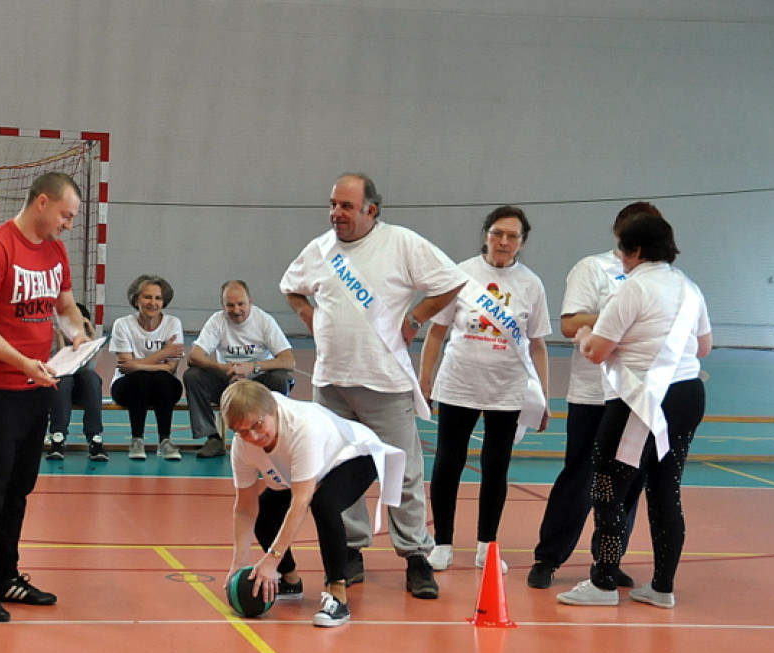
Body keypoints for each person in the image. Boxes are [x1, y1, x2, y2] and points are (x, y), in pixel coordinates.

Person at [280, 173, 466, 600]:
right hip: (331, 383)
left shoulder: (401, 243)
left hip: (385, 383)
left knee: (402, 474)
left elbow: (451, 281)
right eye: (332, 205)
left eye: (346, 206)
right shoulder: (319, 249)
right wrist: (307, 315)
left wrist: (417, 317)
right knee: (339, 473)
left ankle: (417, 557)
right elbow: (291, 287)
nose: (335, 214)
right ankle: (350, 550)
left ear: (370, 210)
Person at [557, 214, 711, 609]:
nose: (620, 258)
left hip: (642, 399)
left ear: (636, 251)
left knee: (608, 485)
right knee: (665, 490)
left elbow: (596, 352)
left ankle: (603, 583)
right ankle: (662, 587)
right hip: (688, 396)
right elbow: (704, 347)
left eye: (622, 249)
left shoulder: (632, 289)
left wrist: (588, 335)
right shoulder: (691, 288)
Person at [0, 171, 91, 622]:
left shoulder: (55, 251)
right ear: (41, 202)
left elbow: (66, 306)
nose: (68, 225)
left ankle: (5, 574)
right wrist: (20, 362)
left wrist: (77, 335)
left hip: (39, 384)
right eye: (65, 215)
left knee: (19, 488)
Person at [527, 204, 661, 589]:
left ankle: (608, 559)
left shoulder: (663, 279)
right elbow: (570, 324)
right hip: (592, 395)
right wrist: (618, 313)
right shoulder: (593, 268)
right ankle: (548, 558)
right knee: (580, 477)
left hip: (636, 396)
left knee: (628, 482)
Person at [418, 206, 551, 574]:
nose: (503, 241)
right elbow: (437, 332)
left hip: (506, 389)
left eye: (512, 236)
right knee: (448, 462)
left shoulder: (531, 284)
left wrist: (542, 397)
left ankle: (486, 546)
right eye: (497, 233)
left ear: (522, 242)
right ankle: (442, 543)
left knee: (496, 467)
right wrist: (425, 380)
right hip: (459, 383)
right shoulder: (460, 274)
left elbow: (537, 344)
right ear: (485, 235)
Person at [222, 379, 404, 627]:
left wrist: (271, 559)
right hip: (308, 467)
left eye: (257, 425)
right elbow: (245, 508)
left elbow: (301, 499)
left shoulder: (302, 427)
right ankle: (290, 581)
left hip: (353, 455)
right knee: (265, 511)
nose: (252, 436)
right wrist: (237, 567)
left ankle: (337, 596)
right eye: (242, 431)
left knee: (324, 504)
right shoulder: (243, 445)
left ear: (272, 410)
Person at [185, 279, 295, 459]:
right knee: (193, 375)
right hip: (228, 384)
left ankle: (272, 437)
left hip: (258, 385)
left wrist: (253, 367)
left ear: (250, 301)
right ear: (222, 305)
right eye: (230, 305)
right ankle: (213, 438)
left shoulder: (264, 321)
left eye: (241, 304)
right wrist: (222, 367)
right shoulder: (217, 321)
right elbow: (194, 356)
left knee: (281, 378)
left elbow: (289, 361)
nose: (236, 310)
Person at [109, 274, 185, 460]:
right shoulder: (122, 324)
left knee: (164, 381)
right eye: (147, 297)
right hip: (126, 387)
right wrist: (164, 354)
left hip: (163, 387)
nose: (153, 303)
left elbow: (171, 368)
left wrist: (137, 364)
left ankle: (165, 441)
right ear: (136, 300)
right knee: (140, 380)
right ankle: (137, 440)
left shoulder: (173, 324)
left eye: (158, 298)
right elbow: (126, 369)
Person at [45, 302, 108, 461]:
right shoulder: (52, 336)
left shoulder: (86, 339)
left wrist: (90, 340)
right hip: (57, 389)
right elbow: (58, 367)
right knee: (63, 379)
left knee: (91, 378)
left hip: (81, 390)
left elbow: (88, 367)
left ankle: (94, 437)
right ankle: (58, 437)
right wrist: (60, 337)